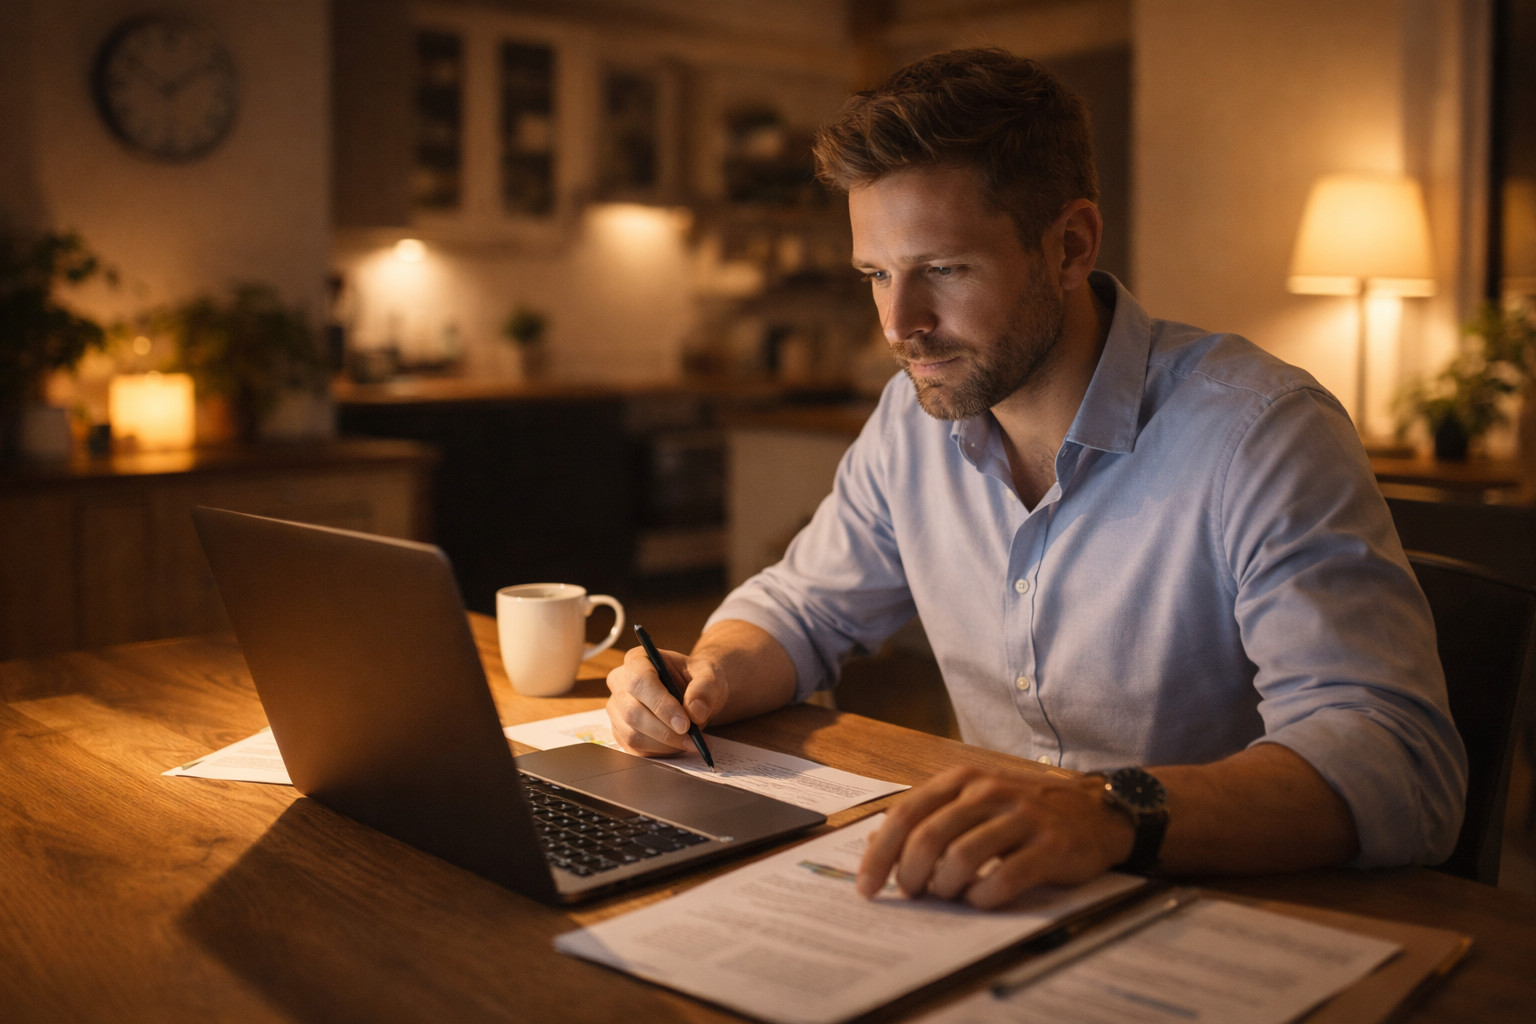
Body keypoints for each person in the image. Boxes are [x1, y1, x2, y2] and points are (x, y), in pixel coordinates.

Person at [606, 48, 1467, 909]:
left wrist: (1106, 814)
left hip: (1230, 912)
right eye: (877, 274)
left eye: (943, 269)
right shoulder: (911, 422)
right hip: (993, 896)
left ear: (1070, 245)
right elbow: (804, 608)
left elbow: (1398, 762)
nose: (899, 324)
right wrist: (704, 675)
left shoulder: (1259, 432)